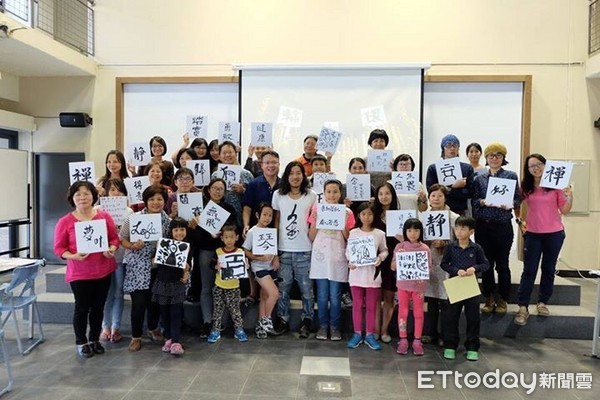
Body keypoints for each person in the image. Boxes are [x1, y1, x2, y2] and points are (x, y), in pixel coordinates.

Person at [53, 181, 119, 358]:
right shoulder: (65, 221)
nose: (82, 197)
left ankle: (94, 339)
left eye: (86, 193)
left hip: (103, 270)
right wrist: (73, 256)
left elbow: (114, 239)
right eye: (78, 194)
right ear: (72, 198)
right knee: (82, 308)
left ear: (94, 196)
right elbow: (59, 249)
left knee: (98, 307)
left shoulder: (104, 216)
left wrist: (111, 250)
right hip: (79, 273)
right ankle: (81, 342)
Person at [514, 153, 573, 326]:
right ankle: (523, 307)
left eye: (539, 164)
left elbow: (565, 210)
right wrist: (519, 220)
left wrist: (569, 195)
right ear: (528, 169)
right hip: (533, 233)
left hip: (554, 234)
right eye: (532, 166)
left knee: (548, 269)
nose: (536, 168)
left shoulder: (555, 186)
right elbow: (516, 203)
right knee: (529, 270)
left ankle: (542, 302)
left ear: (545, 165)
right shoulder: (526, 187)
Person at [120, 184, 171, 352]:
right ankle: (136, 337)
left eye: (159, 199)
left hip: (159, 267)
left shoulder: (168, 221)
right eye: (151, 199)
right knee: (139, 303)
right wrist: (133, 246)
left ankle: (153, 328)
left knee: (155, 301)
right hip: (137, 267)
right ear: (145, 201)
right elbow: (123, 239)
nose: (155, 202)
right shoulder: (133, 218)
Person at [472, 143, 521, 314]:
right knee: (486, 264)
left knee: (502, 264)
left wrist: (510, 205)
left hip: (503, 226)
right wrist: (481, 202)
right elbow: (474, 201)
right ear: (486, 158)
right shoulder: (479, 179)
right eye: (491, 155)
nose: (494, 158)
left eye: (498, 155)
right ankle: (488, 297)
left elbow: (517, 199)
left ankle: (502, 298)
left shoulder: (511, 176)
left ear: (503, 158)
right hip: (483, 226)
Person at [271, 161, 317, 338]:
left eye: (299, 173)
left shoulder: (311, 195)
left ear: (303, 176)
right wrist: (274, 250)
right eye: (291, 173)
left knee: (306, 289)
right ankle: (283, 320)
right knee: (283, 288)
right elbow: (276, 221)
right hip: (283, 249)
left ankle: (307, 320)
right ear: (286, 176)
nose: (295, 176)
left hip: (305, 249)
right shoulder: (278, 195)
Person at [308, 179, 355, 341]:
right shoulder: (317, 209)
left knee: (335, 295)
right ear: (324, 193)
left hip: (337, 258)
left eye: (335, 191)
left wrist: (342, 224)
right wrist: (315, 220)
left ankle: (334, 327)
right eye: (328, 191)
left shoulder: (347, 212)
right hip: (321, 257)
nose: (332, 195)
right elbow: (311, 236)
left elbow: (349, 238)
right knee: (321, 295)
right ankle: (322, 326)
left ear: (340, 193)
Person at [189, 178, 237, 336]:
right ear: (208, 190)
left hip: (225, 253)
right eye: (215, 188)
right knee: (206, 288)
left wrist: (222, 233)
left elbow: (234, 230)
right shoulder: (200, 209)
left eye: (221, 189)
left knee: (224, 287)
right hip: (205, 251)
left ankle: (220, 322)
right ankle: (207, 322)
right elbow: (194, 237)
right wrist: (196, 227)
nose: (217, 191)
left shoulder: (229, 209)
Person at [440, 216, 489, 361]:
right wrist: (456, 271)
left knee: (473, 317)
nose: (459, 232)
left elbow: (485, 264)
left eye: (463, 228)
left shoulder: (476, 248)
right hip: (455, 285)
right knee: (451, 316)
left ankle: (472, 347)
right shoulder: (450, 247)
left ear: (471, 231)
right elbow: (444, 264)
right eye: (457, 228)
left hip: (470, 286)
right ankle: (450, 345)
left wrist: (474, 268)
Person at [346, 202, 388, 350]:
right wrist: (350, 261)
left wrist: (380, 258)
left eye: (369, 214)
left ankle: (369, 334)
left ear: (374, 215)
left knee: (371, 306)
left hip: (373, 275)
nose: (367, 217)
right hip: (356, 274)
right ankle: (357, 333)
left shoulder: (379, 234)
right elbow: (348, 251)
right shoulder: (353, 232)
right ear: (358, 215)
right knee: (356, 305)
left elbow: (384, 250)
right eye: (363, 214)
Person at [422, 184, 459, 346]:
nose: (436, 199)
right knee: (431, 299)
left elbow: (461, 241)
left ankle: (446, 334)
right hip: (429, 261)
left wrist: (445, 243)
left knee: (447, 302)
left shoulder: (454, 217)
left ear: (445, 198)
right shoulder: (423, 216)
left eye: (440, 196)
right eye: (433, 196)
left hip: (448, 263)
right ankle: (430, 333)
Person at [391, 218, 432, 356]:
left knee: (418, 313)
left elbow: (429, 268)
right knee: (403, 312)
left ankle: (417, 340)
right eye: (409, 230)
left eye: (416, 230)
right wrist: (398, 258)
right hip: (403, 286)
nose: (413, 233)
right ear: (405, 231)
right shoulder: (400, 247)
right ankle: (403, 339)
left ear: (420, 232)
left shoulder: (425, 248)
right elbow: (392, 267)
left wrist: (423, 276)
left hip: (418, 288)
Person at [99, 178, 133, 343]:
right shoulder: (97, 210)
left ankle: (115, 327)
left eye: (119, 190)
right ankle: (105, 326)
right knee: (106, 294)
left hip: (121, 258)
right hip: (102, 259)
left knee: (119, 293)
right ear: (106, 192)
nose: (116, 193)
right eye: (112, 189)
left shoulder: (129, 211)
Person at [152, 217, 191, 355]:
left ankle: (176, 341)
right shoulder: (163, 244)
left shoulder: (187, 245)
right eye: (176, 230)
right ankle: (168, 338)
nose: (179, 233)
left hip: (177, 284)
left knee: (176, 313)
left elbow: (188, 266)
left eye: (182, 229)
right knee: (164, 313)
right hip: (162, 282)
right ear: (171, 231)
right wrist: (157, 251)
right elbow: (153, 263)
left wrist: (187, 270)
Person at [243, 203, 280, 338]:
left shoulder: (270, 231)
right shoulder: (253, 231)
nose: (267, 218)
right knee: (274, 293)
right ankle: (266, 320)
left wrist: (275, 258)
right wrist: (257, 257)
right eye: (264, 214)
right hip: (259, 268)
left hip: (270, 268)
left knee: (264, 297)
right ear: (258, 215)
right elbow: (245, 251)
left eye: (270, 215)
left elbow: (274, 248)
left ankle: (260, 327)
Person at [207, 225, 249, 343]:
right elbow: (211, 265)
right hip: (219, 285)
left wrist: (246, 266)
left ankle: (239, 330)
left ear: (237, 237)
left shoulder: (240, 252)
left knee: (235, 310)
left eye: (231, 237)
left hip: (234, 286)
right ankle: (215, 330)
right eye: (226, 237)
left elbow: (244, 268)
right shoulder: (218, 252)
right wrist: (216, 266)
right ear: (222, 238)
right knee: (217, 309)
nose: (229, 240)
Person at [372, 182, 399, 343]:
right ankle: (375, 330)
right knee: (376, 297)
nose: (384, 197)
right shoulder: (372, 215)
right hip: (375, 260)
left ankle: (384, 330)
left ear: (393, 196)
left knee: (389, 296)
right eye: (381, 194)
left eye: (387, 193)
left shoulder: (400, 215)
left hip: (393, 261)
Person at [426, 134, 474, 215]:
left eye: (455, 145)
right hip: (438, 210)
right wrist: (453, 188)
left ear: (458, 148)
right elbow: (431, 191)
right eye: (448, 145)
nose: (452, 148)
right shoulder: (433, 168)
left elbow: (470, 192)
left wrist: (447, 190)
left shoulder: (467, 168)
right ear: (443, 148)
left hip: (460, 210)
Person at [211, 140, 254, 227]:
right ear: (219, 156)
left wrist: (243, 191)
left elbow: (254, 197)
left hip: (242, 220)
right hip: (220, 220)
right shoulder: (215, 176)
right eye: (224, 153)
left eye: (230, 152)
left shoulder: (247, 174)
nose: (227, 155)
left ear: (236, 154)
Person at [242, 150, 281, 236]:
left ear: (279, 164)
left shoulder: (284, 185)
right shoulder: (253, 184)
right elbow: (247, 207)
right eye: (267, 163)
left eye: (274, 162)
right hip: (257, 231)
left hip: (278, 232)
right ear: (262, 165)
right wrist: (246, 225)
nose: (270, 165)